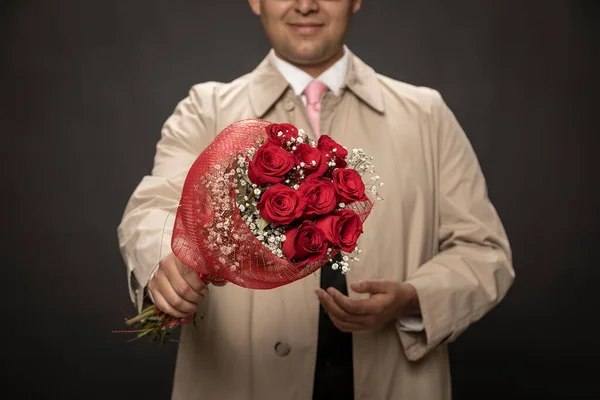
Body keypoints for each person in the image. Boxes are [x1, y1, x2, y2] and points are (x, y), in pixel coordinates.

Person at [117, 0, 515, 399]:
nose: (305, 5)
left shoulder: (427, 115)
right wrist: (162, 260)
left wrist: (412, 299)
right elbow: (154, 206)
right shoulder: (205, 109)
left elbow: (482, 251)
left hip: (391, 380)